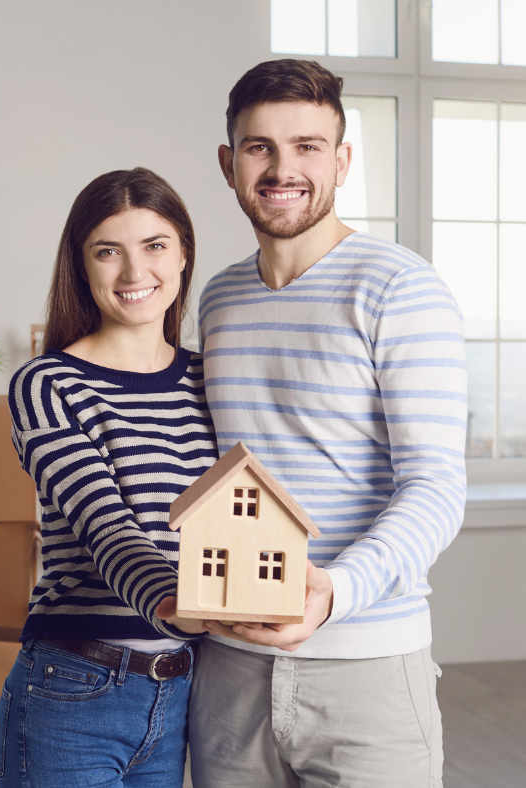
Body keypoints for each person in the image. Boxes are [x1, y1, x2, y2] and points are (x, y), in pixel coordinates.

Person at [188, 59, 466, 788]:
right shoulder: (217, 300)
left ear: (342, 161)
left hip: (367, 668)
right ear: (229, 163)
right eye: (260, 147)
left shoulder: (400, 287)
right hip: (229, 674)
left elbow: (436, 487)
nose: (283, 168)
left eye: (308, 146)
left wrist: (335, 591)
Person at [0, 167, 217, 788]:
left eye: (154, 246)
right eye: (108, 251)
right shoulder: (46, 385)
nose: (133, 272)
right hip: (73, 688)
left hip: (181, 689)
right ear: (81, 265)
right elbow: (108, 530)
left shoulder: (212, 380)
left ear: (183, 256)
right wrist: (182, 606)